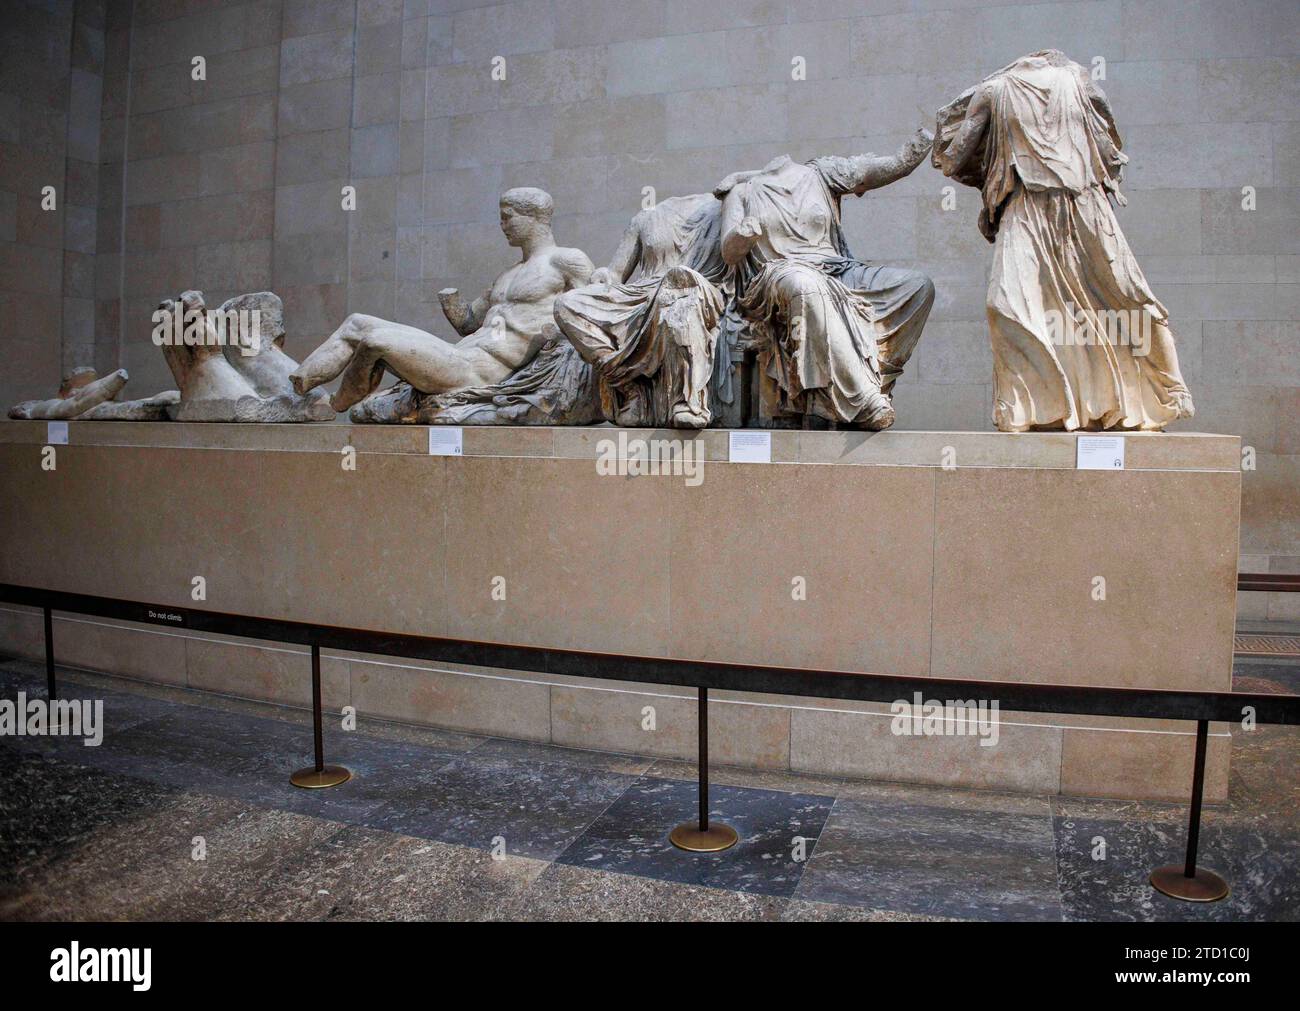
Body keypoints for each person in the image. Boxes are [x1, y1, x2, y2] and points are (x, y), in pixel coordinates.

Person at [933, 50, 1194, 431]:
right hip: (1029, 207)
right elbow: (1111, 138)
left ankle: (1168, 388)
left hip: (1081, 205)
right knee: (1006, 304)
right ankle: (1028, 407)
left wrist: (946, 144)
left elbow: (954, 159)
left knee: (1124, 293)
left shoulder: (1005, 88)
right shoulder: (1036, 84)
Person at [290, 188, 594, 413]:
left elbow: (598, 314)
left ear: (533, 217)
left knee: (376, 341)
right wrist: (451, 301)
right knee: (357, 322)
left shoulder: (567, 260)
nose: (502, 225)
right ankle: (295, 388)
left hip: (480, 373)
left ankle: (333, 405)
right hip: (456, 355)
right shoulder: (507, 275)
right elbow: (469, 324)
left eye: (507, 217)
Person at [717, 130, 935, 429]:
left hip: (835, 268)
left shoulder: (821, 173)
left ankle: (871, 376)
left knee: (917, 286)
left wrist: (922, 142)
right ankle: (862, 400)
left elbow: (893, 166)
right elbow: (729, 253)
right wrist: (742, 235)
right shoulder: (742, 192)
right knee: (806, 286)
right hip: (777, 275)